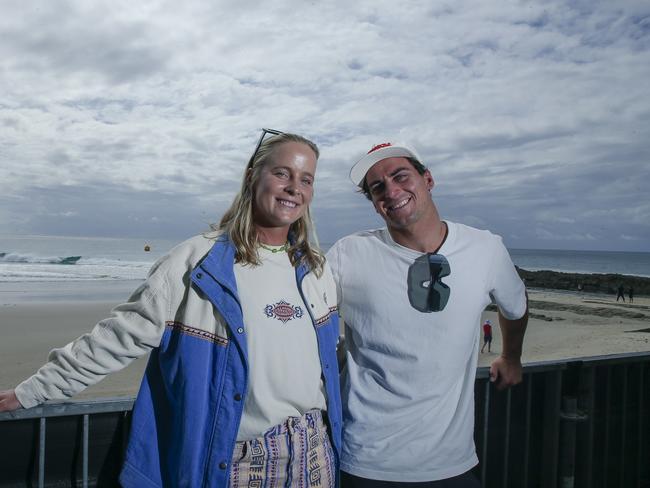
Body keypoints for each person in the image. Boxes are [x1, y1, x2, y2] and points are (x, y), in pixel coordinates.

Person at [0, 130, 342, 488]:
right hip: (238, 459)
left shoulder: (316, 269)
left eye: (306, 179)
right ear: (252, 176)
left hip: (315, 450)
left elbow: (328, 360)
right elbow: (118, 336)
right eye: (282, 173)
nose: (294, 188)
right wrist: (31, 392)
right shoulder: (197, 262)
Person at [327, 142, 528, 487]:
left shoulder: (485, 248)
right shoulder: (348, 254)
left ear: (428, 179)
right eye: (378, 188)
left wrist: (511, 357)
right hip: (363, 461)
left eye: (400, 176)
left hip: (451, 462)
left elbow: (516, 306)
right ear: (375, 205)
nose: (391, 191)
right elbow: (300, 317)